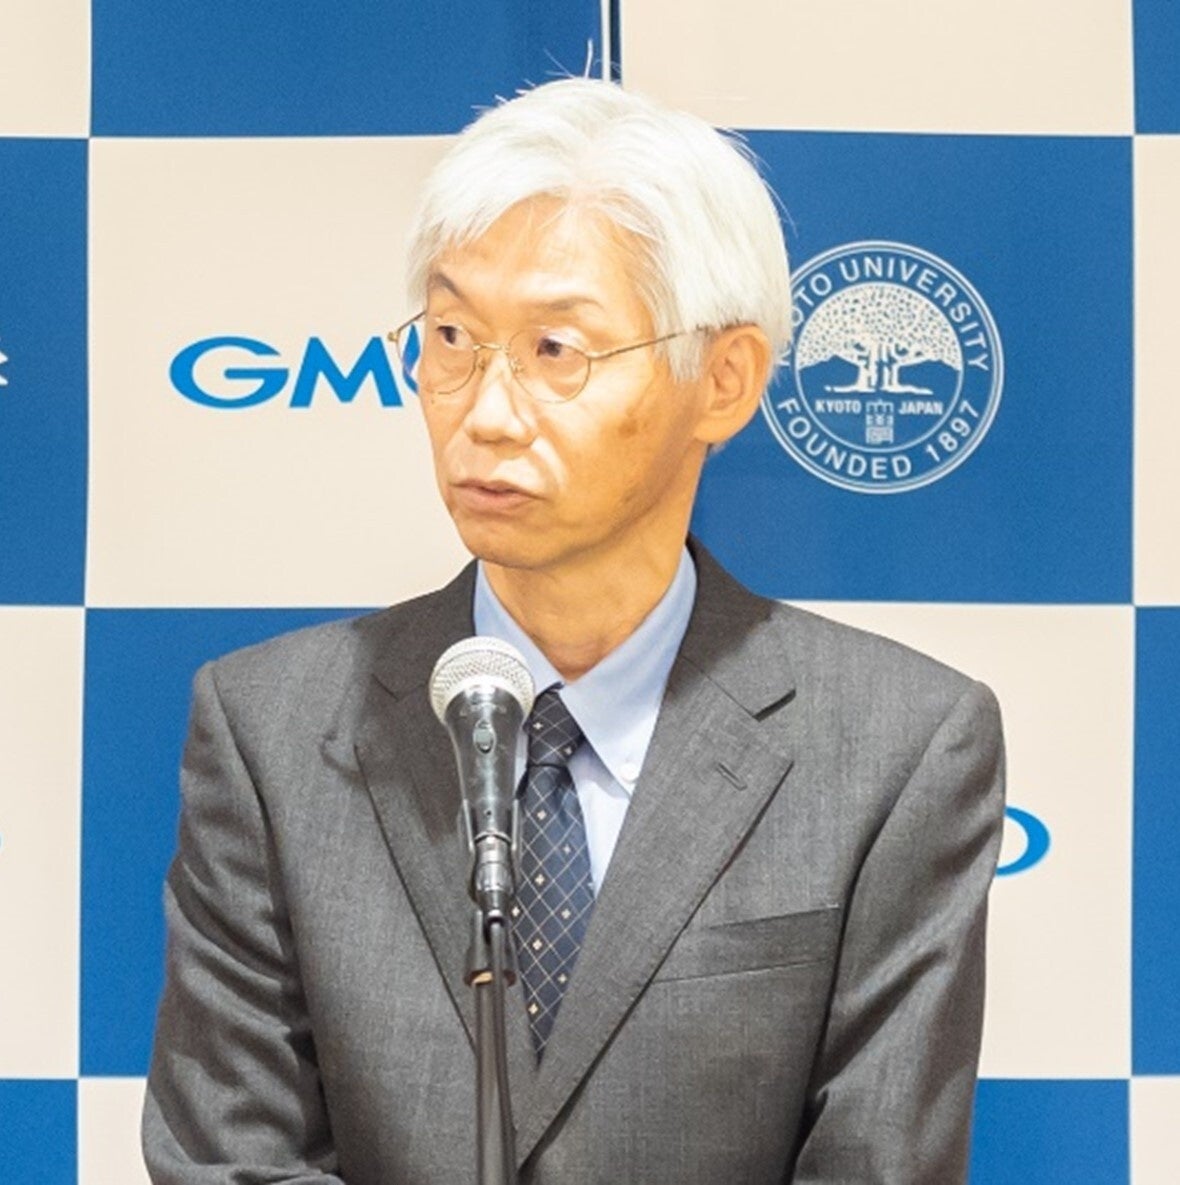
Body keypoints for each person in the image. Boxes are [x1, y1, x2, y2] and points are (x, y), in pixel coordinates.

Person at [143, 77, 1005, 1184]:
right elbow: (231, 1161)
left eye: (556, 350)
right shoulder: (271, 730)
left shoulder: (897, 748)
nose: (486, 412)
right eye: (451, 337)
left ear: (725, 380)